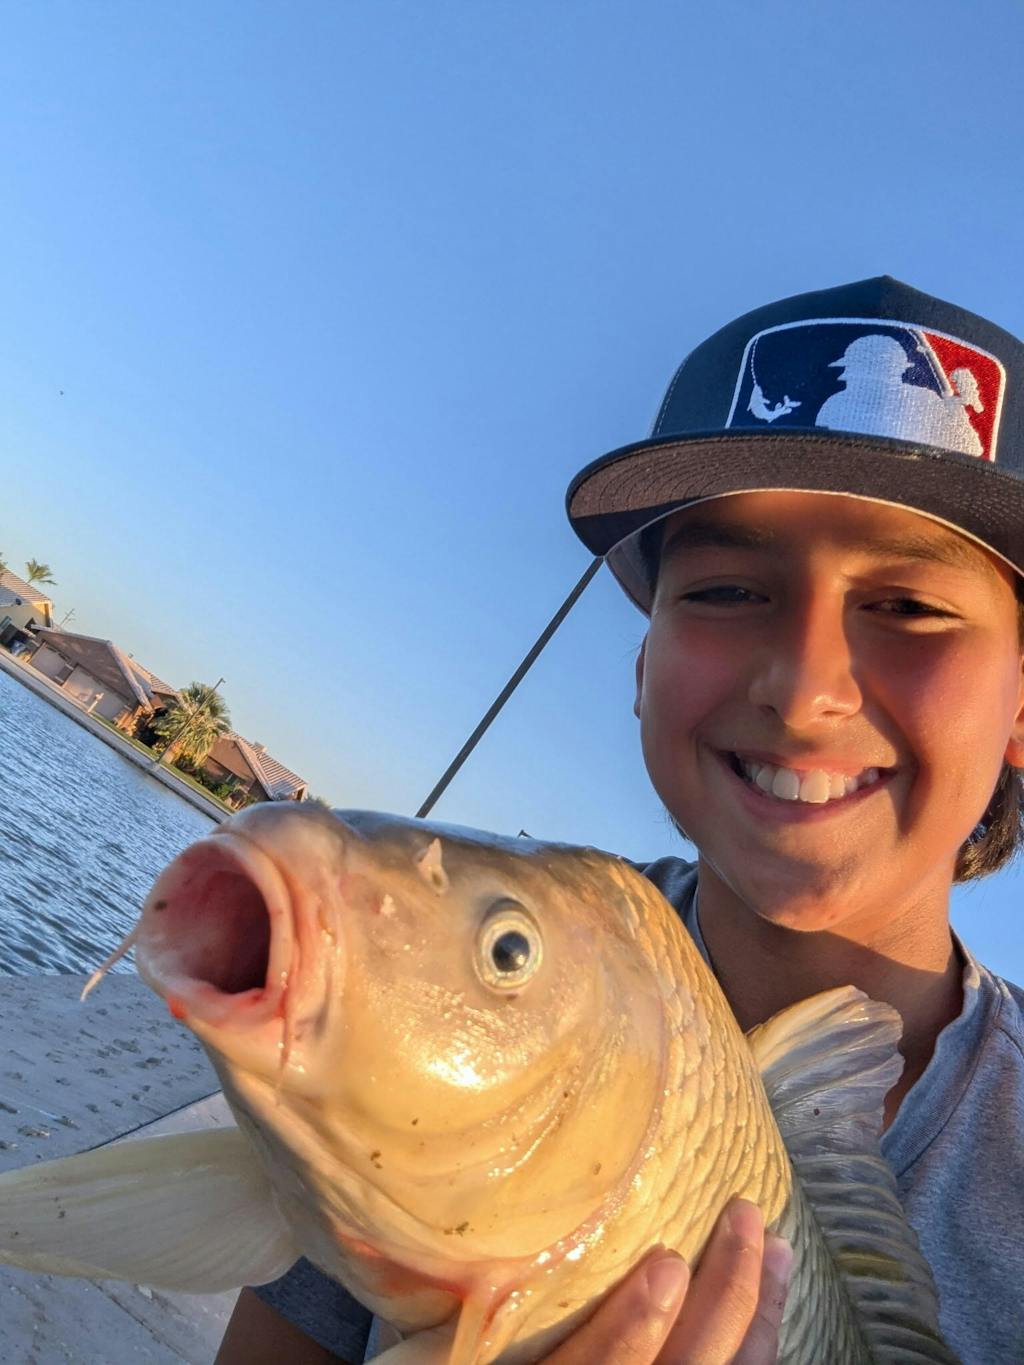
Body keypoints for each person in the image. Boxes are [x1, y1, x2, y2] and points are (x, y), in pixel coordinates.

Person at [216, 276, 1024, 1364]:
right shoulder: (455, 1004)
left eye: (911, 607)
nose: (802, 688)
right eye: (727, 591)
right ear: (643, 669)